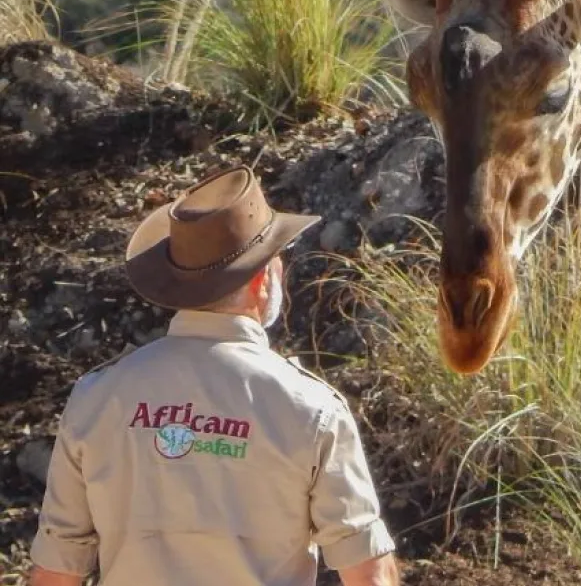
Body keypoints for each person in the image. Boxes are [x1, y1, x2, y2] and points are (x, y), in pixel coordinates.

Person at [27, 166, 400, 586]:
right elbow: (369, 575)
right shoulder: (311, 410)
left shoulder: (97, 397)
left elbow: (55, 573)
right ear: (263, 280)